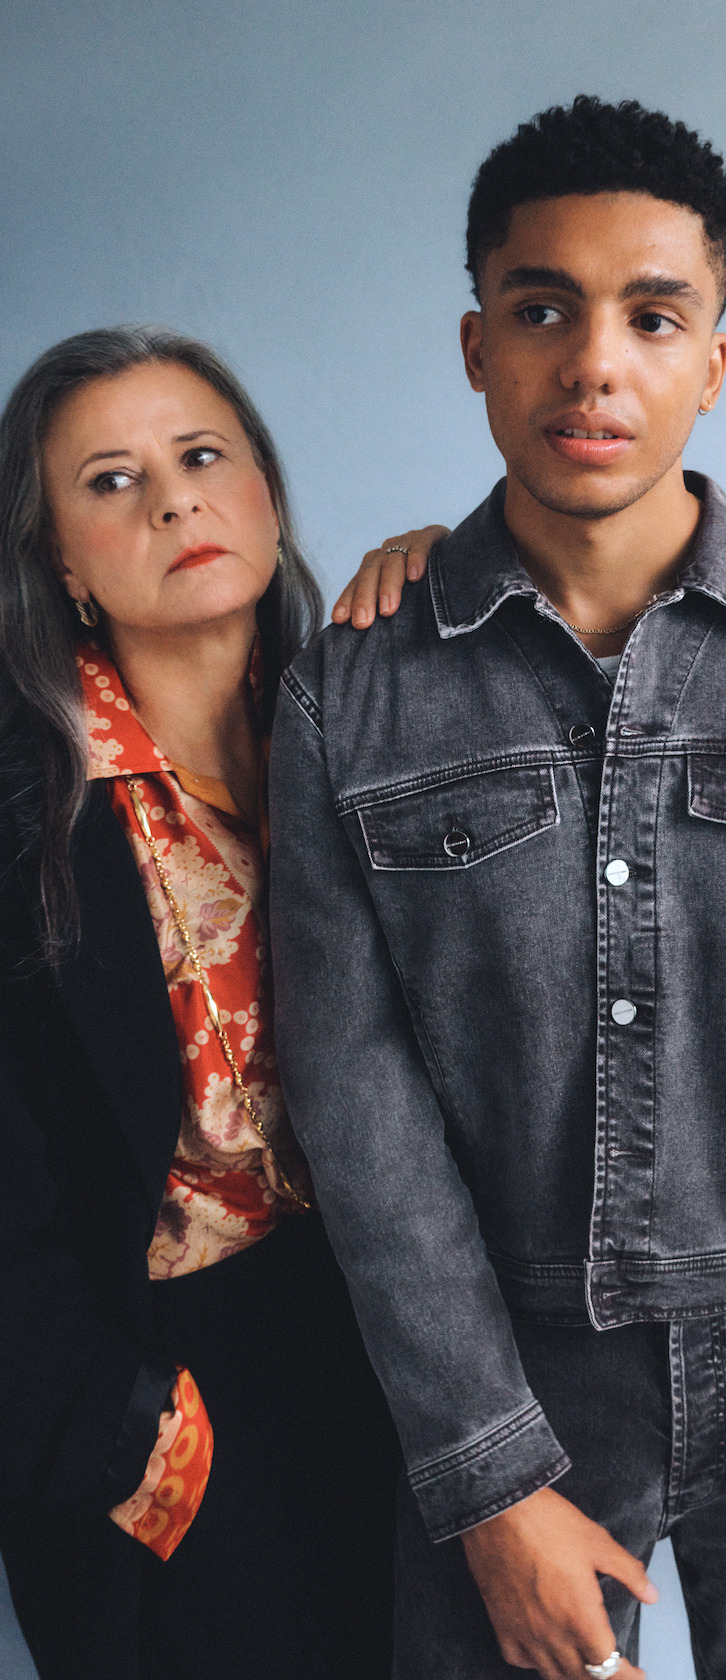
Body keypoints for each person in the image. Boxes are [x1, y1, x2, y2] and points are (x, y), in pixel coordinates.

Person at [270, 97, 726, 1680]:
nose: (593, 364)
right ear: (478, 347)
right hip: (504, 1384)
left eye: (652, 317)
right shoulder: (355, 693)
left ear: (712, 361)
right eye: (543, 310)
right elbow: (355, 1102)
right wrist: (487, 1484)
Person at [0, 325, 442, 1680]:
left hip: (410, 1353)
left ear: (265, 497)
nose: (175, 499)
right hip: (171, 1389)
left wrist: (474, 580)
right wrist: (122, 1434)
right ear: (63, 566)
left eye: (201, 457)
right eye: (111, 481)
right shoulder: (24, 814)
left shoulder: (379, 724)